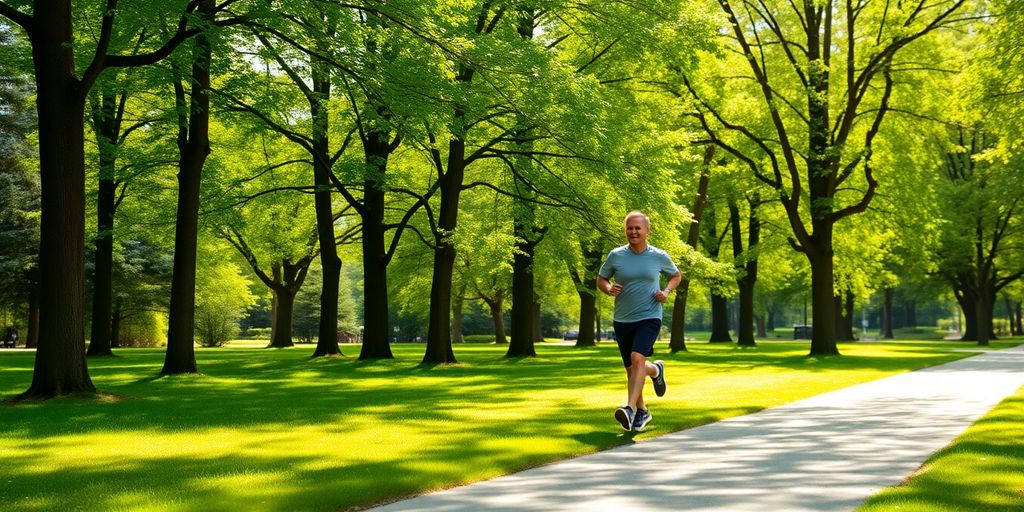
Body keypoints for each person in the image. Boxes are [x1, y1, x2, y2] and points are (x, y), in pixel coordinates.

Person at [598, 211, 682, 431]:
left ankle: (629, 408)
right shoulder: (616, 255)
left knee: (636, 358)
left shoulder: (659, 256)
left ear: (647, 231)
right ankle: (652, 380)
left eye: (637, 228)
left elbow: (676, 275)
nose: (633, 232)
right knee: (632, 368)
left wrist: (666, 291)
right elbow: (601, 278)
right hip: (622, 318)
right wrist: (608, 288)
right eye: (629, 228)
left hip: (650, 316)